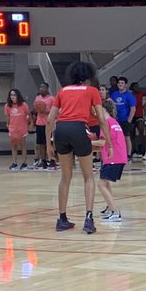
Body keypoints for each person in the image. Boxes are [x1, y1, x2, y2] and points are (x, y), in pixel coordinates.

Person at [47, 61, 112, 234]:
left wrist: (48, 144)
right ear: (89, 78)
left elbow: (49, 120)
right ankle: (88, 219)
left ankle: (62, 219)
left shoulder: (62, 91)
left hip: (60, 130)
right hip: (78, 128)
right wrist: (110, 143)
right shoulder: (92, 91)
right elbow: (101, 118)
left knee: (65, 177)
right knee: (88, 177)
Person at [95, 113, 129, 222]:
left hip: (113, 157)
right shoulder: (114, 122)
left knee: (101, 184)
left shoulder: (105, 123)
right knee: (106, 182)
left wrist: (84, 142)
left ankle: (115, 212)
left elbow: (102, 142)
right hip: (118, 156)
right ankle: (110, 207)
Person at [4, 88, 31, 171]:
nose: (12, 97)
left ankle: (24, 162)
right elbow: (8, 117)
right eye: (11, 95)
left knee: (23, 146)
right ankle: (14, 162)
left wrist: (29, 123)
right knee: (13, 146)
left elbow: (28, 115)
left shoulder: (24, 105)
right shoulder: (7, 106)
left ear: (18, 95)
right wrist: (8, 125)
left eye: (14, 95)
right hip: (13, 129)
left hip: (22, 129)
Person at [32, 82, 57, 169]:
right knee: (40, 143)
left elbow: (55, 111)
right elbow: (35, 110)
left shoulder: (51, 99)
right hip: (39, 123)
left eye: (43, 88)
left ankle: (52, 160)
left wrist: (45, 111)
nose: (41, 89)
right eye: (40, 87)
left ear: (47, 89)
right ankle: (43, 161)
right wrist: (36, 110)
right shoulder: (37, 98)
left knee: (50, 143)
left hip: (49, 124)